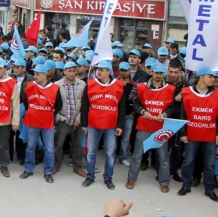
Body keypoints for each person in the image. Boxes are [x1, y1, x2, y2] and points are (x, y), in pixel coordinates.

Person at [125, 62, 175, 193]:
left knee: (163, 156)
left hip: (161, 127)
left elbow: (173, 107)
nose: (158, 75)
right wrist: (143, 112)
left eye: (160, 73)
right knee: (137, 155)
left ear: (163, 74)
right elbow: (136, 103)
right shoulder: (141, 87)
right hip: (144, 125)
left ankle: (164, 182)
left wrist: (165, 114)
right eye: (156, 72)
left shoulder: (170, 88)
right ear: (151, 72)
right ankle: (131, 179)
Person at [81, 60, 125, 190]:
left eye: (101, 70)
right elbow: (85, 105)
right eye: (97, 69)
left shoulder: (118, 85)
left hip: (111, 125)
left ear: (108, 72)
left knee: (110, 153)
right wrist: (84, 123)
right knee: (91, 153)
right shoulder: (90, 84)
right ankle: (90, 176)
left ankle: (108, 178)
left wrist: (120, 125)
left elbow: (122, 108)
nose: (98, 72)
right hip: (93, 124)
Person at [177, 66, 218, 202]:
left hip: (210, 134)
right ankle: (186, 185)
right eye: (210, 76)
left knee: (210, 164)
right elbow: (183, 114)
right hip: (192, 133)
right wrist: (183, 132)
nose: (213, 79)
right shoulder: (187, 92)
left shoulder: (217, 94)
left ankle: (209, 189)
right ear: (201, 77)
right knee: (188, 161)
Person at [20, 64, 62, 183]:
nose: (35, 76)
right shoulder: (29, 86)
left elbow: (59, 105)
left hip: (48, 122)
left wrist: (47, 113)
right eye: (34, 74)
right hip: (32, 122)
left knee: (49, 149)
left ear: (45, 75)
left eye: (38, 74)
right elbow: (26, 102)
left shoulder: (54, 88)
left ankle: (48, 172)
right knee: (30, 146)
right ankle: (28, 169)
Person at [53, 61, 87, 177]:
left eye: (74, 71)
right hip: (63, 119)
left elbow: (85, 103)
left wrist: (79, 117)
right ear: (64, 71)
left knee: (77, 146)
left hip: (76, 120)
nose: (72, 74)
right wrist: (58, 117)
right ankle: (56, 165)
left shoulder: (82, 84)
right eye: (69, 71)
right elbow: (53, 104)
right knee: (58, 144)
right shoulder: (57, 85)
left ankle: (77, 167)